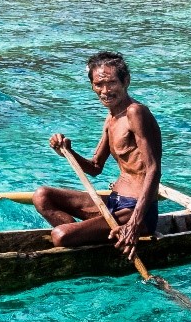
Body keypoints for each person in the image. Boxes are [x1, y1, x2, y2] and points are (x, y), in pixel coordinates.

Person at [34, 51, 163, 259]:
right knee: (42, 195)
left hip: (137, 211)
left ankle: (81, 238)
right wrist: (67, 150)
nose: (105, 91)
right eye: (98, 85)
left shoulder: (135, 113)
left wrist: (134, 224)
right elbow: (95, 167)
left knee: (59, 236)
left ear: (126, 81)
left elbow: (153, 170)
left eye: (111, 83)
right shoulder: (111, 117)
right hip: (114, 202)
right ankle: (87, 237)